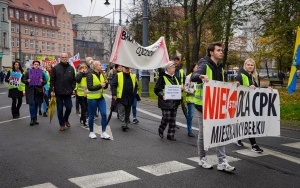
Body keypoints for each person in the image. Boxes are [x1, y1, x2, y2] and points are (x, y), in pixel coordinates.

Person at [191, 42, 236, 171]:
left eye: (222, 50)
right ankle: (202, 159)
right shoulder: (204, 65)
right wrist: (200, 76)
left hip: (217, 105)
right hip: (203, 105)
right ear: (211, 52)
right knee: (204, 133)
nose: (221, 52)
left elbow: (222, 85)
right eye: (218, 50)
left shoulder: (220, 67)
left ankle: (222, 162)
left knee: (220, 132)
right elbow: (194, 76)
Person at [235, 58, 264, 153]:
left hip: (250, 104)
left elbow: (256, 88)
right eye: (248, 65)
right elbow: (237, 88)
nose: (250, 66)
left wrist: (267, 89)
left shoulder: (252, 76)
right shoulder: (240, 75)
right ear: (245, 65)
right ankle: (254, 145)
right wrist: (248, 87)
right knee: (249, 124)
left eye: (252, 65)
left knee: (246, 123)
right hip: (243, 104)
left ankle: (238, 138)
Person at [154, 62, 181, 141]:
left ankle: (170, 135)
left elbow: (177, 89)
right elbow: (156, 90)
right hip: (165, 102)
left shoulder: (175, 78)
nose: (174, 68)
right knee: (166, 117)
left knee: (173, 119)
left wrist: (180, 90)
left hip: (174, 102)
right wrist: (162, 95)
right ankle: (161, 129)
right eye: (172, 67)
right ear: (168, 69)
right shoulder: (162, 78)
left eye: (174, 67)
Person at [50, 53, 76, 131]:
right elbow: (52, 80)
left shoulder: (71, 68)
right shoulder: (55, 68)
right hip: (58, 92)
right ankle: (61, 124)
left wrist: (72, 88)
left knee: (69, 107)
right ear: (60, 58)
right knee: (60, 109)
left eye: (65, 57)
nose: (64, 58)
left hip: (68, 92)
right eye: (62, 57)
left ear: (67, 58)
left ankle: (65, 119)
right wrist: (52, 90)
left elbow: (74, 80)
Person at [86, 61, 110, 139]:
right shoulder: (90, 75)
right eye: (100, 65)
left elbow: (104, 87)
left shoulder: (102, 74)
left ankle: (103, 132)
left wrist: (106, 83)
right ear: (95, 67)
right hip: (92, 98)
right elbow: (90, 87)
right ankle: (91, 132)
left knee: (104, 114)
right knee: (91, 116)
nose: (101, 66)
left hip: (101, 97)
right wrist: (100, 85)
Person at [111, 65, 138, 131]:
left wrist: (134, 94)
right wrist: (114, 94)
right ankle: (123, 124)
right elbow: (113, 85)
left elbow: (136, 86)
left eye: (128, 68)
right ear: (122, 68)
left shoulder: (133, 76)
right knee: (121, 110)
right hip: (121, 97)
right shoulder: (118, 75)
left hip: (130, 97)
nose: (127, 69)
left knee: (128, 111)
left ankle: (126, 123)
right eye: (125, 68)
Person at [22, 60, 47, 126]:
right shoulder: (28, 72)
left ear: (39, 65)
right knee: (32, 104)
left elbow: (45, 81)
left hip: (38, 91)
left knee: (36, 104)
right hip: (30, 90)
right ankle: (32, 119)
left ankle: (35, 119)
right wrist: (27, 80)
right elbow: (23, 80)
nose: (36, 65)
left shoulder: (41, 73)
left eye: (37, 64)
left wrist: (42, 81)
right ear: (32, 65)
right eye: (35, 64)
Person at [184, 63, 198, 137]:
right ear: (193, 68)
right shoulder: (188, 77)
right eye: (196, 67)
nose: (197, 68)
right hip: (191, 99)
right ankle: (189, 130)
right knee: (191, 115)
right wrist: (193, 91)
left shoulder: (200, 77)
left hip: (199, 99)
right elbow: (185, 88)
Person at [173, 55, 185, 129]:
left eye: (177, 60)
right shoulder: (170, 69)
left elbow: (183, 80)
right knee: (171, 107)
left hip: (178, 91)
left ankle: (173, 122)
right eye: (175, 60)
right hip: (171, 91)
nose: (176, 62)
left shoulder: (181, 70)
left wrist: (183, 88)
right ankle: (172, 122)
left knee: (175, 108)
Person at [75, 63, 88, 128]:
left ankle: (82, 118)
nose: (84, 69)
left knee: (86, 108)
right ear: (79, 69)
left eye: (85, 68)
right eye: (82, 68)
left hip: (87, 94)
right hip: (80, 94)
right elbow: (77, 80)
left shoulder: (88, 75)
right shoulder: (78, 75)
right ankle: (84, 121)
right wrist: (82, 73)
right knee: (84, 108)